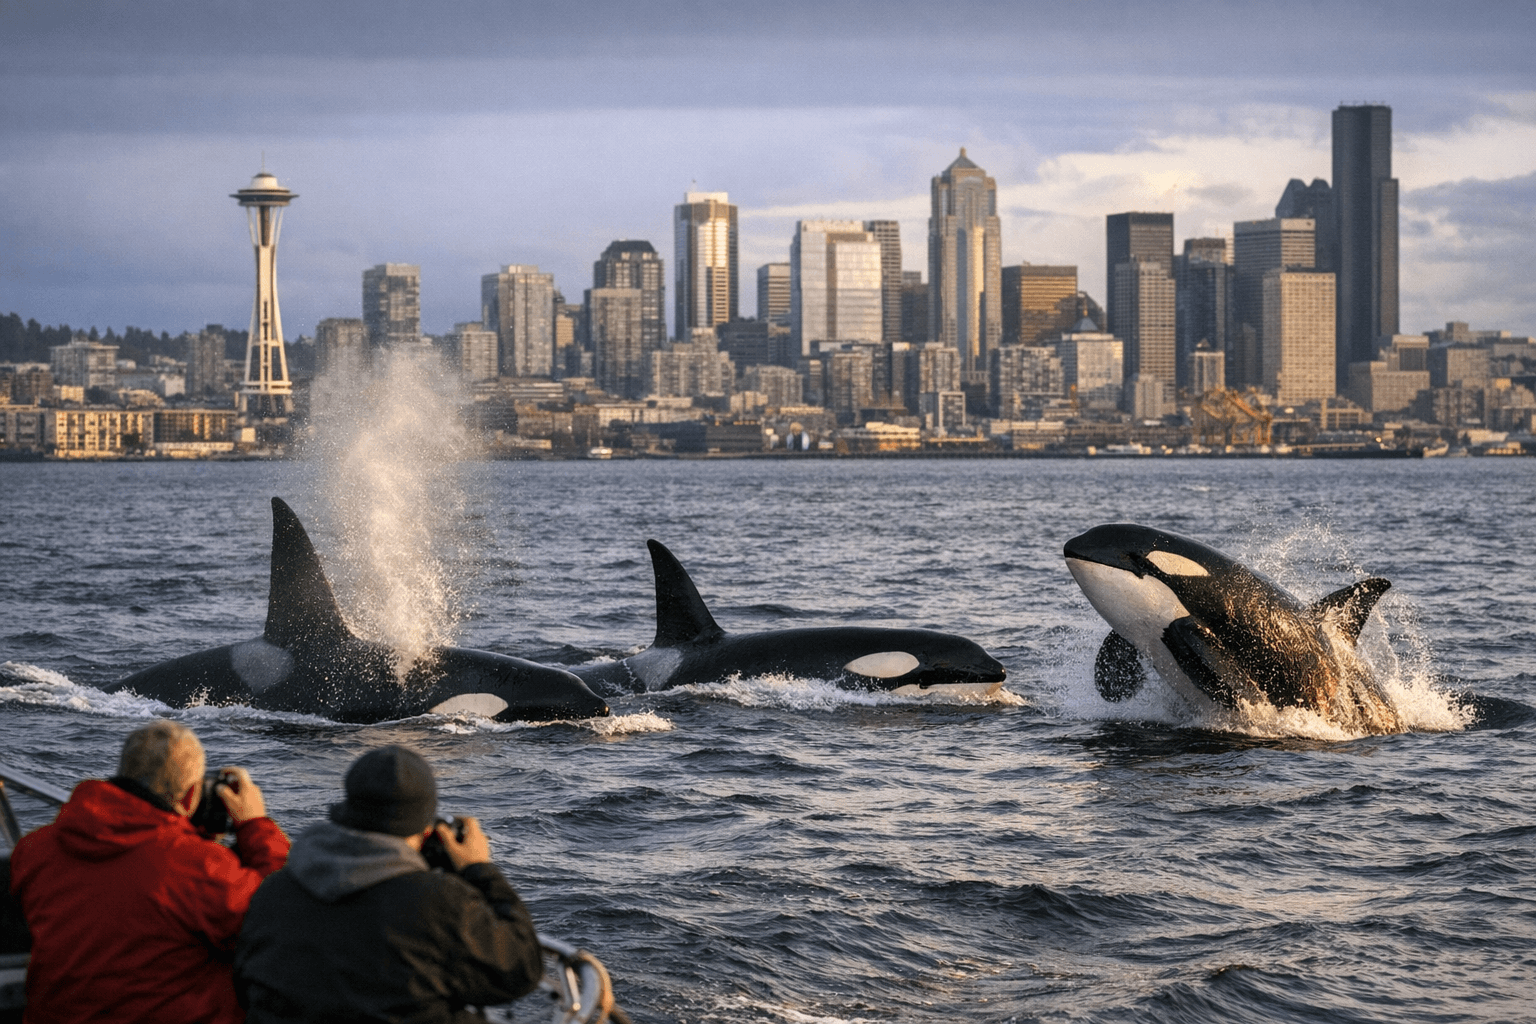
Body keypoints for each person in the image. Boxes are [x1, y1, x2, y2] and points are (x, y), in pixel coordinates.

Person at [234, 744, 543, 1023]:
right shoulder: (437, 901)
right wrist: (479, 869)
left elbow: (244, 984)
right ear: (426, 828)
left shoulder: (274, 891)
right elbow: (521, 970)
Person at [8, 719, 289, 1024]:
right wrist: (255, 827)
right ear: (191, 796)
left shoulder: (33, 850)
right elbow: (283, 915)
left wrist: (193, 838)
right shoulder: (199, 866)